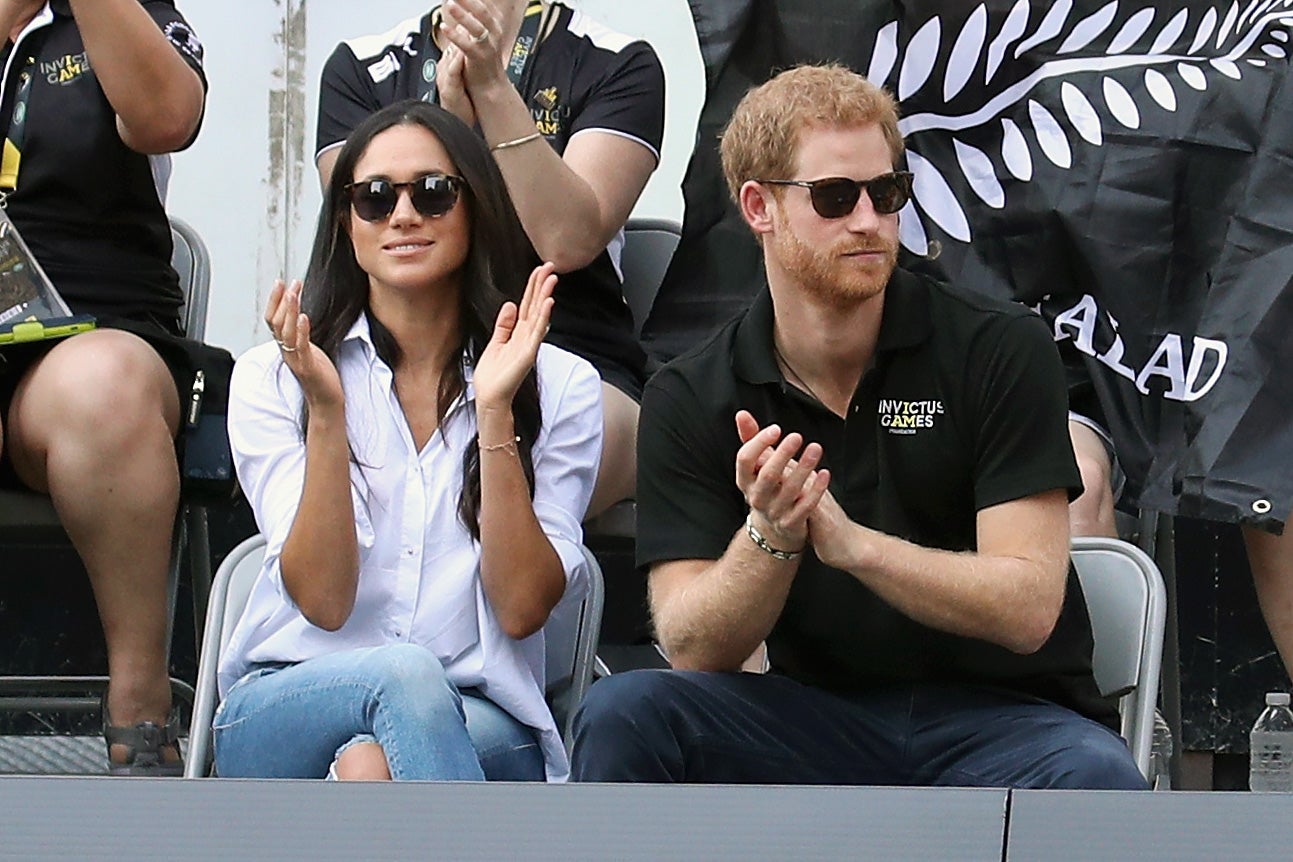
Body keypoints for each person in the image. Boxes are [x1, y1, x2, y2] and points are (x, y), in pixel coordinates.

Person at [570, 64, 1147, 790]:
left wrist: (855, 549)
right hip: (810, 719)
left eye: (887, 192)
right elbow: (692, 646)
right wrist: (770, 538)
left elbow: (1028, 606)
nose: (869, 221)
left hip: (1007, 720)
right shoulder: (691, 391)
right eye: (835, 197)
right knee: (626, 711)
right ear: (758, 206)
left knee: (1096, 777)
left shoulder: (996, 346)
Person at [217, 99, 602, 782]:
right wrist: (327, 414)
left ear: (476, 206)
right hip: (288, 702)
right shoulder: (272, 377)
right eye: (372, 198)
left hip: (479, 716)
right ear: (346, 221)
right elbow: (324, 602)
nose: (402, 216)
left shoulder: (561, 384)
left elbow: (520, 609)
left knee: (371, 766)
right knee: (402, 676)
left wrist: (494, 411)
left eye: (432, 193)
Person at [315, 0, 664, 517]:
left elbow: (566, 240)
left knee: (501, 485)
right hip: (399, 355)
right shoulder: (362, 67)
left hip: (565, 348)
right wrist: (446, 123)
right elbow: (365, 233)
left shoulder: (615, 61)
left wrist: (494, 90)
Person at [0, 0, 205, 775]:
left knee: (104, 385)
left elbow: (165, 118)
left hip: (88, 330)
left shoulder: (126, 14)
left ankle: (139, 705)